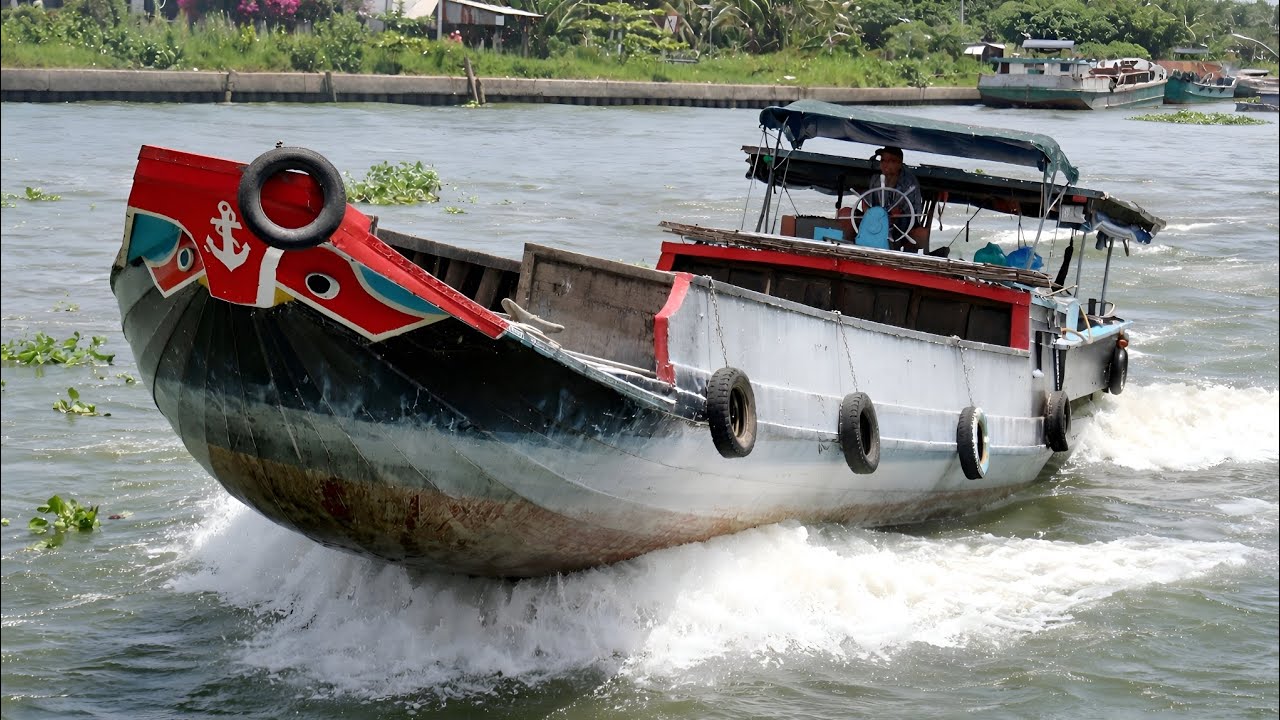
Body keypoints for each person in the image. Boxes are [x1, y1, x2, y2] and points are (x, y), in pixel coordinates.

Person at [865, 146, 929, 253]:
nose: (884, 164)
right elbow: (868, 204)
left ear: (899, 164)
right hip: (877, 222)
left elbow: (904, 213)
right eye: (883, 160)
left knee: (921, 234)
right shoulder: (875, 180)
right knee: (846, 213)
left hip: (904, 225)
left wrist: (892, 217)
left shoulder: (909, 182)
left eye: (890, 161)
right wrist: (868, 211)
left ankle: (907, 259)